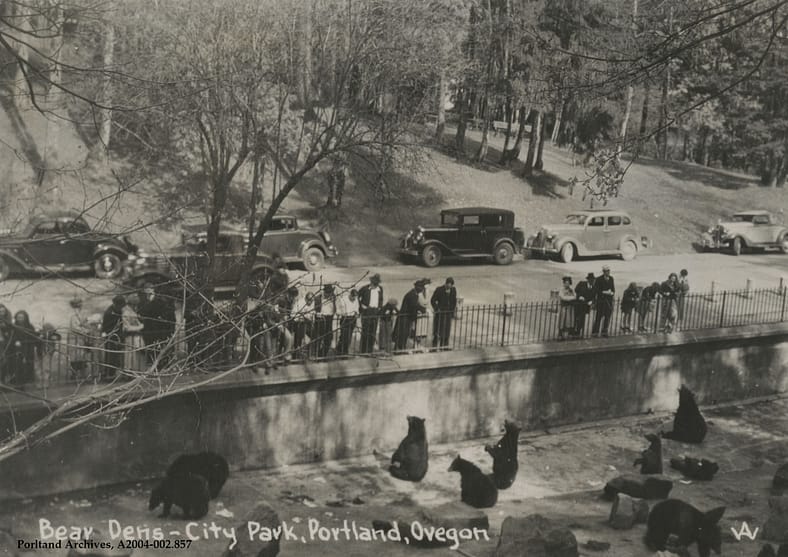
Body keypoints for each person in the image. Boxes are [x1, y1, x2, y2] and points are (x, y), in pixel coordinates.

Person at [138, 284, 177, 370]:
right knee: (151, 350)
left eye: (150, 292)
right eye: (146, 293)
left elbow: (164, 315)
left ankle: (162, 366)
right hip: (148, 330)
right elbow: (141, 313)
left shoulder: (160, 301)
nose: (147, 295)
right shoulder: (143, 302)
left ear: (153, 291)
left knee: (161, 348)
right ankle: (153, 367)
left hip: (159, 330)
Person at [394, 280, 428, 351]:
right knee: (402, 335)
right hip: (404, 318)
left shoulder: (414, 294)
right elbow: (413, 306)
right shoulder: (412, 294)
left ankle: (401, 349)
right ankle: (400, 349)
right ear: (416, 287)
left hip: (407, 317)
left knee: (404, 335)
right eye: (420, 288)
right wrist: (422, 309)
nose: (421, 290)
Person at [8, 310, 40, 385]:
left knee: (27, 365)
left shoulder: (30, 326)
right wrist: (15, 341)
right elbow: (11, 336)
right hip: (17, 349)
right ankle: (17, 382)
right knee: (17, 365)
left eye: (22, 317)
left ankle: (26, 381)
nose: (20, 319)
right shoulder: (13, 326)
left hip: (28, 348)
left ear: (25, 318)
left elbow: (33, 336)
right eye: (18, 317)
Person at [101, 295, 127, 380]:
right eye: (121, 306)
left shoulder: (117, 311)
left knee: (116, 356)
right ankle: (108, 374)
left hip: (117, 336)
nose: (122, 308)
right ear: (117, 304)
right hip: (111, 337)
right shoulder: (109, 313)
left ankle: (112, 373)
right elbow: (106, 327)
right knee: (110, 356)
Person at [358, 274, 383, 353]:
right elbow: (357, 297)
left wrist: (379, 307)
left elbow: (381, 299)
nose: (374, 285)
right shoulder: (365, 289)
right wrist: (361, 307)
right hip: (367, 311)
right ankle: (363, 350)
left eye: (376, 284)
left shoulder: (380, 289)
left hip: (375, 312)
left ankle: (370, 350)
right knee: (365, 331)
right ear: (371, 282)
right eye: (373, 283)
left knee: (373, 331)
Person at [430, 277, 457, 348]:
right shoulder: (439, 290)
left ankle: (445, 345)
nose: (449, 287)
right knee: (438, 329)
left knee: (446, 330)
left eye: (450, 285)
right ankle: (435, 346)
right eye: (448, 285)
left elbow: (454, 301)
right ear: (446, 283)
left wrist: (452, 311)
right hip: (440, 313)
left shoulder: (453, 290)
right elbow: (432, 300)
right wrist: (437, 308)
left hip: (448, 313)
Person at [312, 284, 337, 358]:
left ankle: (322, 354)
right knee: (318, 338)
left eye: (330, 293)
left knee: (328, 338)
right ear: (324, 292)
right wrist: (317, 314)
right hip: (320, 319)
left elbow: (336, 308)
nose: (329, 295)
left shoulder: (333, 297)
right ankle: (316, 355)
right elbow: (313, 309)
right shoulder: (318, 298)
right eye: (327, 293)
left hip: (329, 319)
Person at [592, 265, 615, 337]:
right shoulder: (599, 279)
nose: (608, 272)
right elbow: (596, 290)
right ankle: (595, 332)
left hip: (608, 301)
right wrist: (604, 292)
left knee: (607, 317)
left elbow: (613, 289)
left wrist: (612, 293)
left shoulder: (611, 278)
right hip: (601, 301)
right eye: (606, 271)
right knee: (598, 317)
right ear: (604, 272)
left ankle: (604, 331)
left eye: (609, 271)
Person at [337, 288, 359, 355]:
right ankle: (342, 351)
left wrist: (356, 314)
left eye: (355, 298)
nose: (353, 299)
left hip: (352, 319)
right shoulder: (343, 299)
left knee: (349, 337)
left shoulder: (356, 300)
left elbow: (356, 308)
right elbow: (338, 309)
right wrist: (343, 313)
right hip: (345, 319)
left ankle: (343, 351)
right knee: (344, 336)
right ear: (350, 295)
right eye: (353, 297)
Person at [0, 304, 13, 383]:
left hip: (4, 343)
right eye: (0, 311)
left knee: (4, 361)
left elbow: (9, 331)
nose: (1, 313)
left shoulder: (7, 321)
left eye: (3, 311)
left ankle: (3, 381)